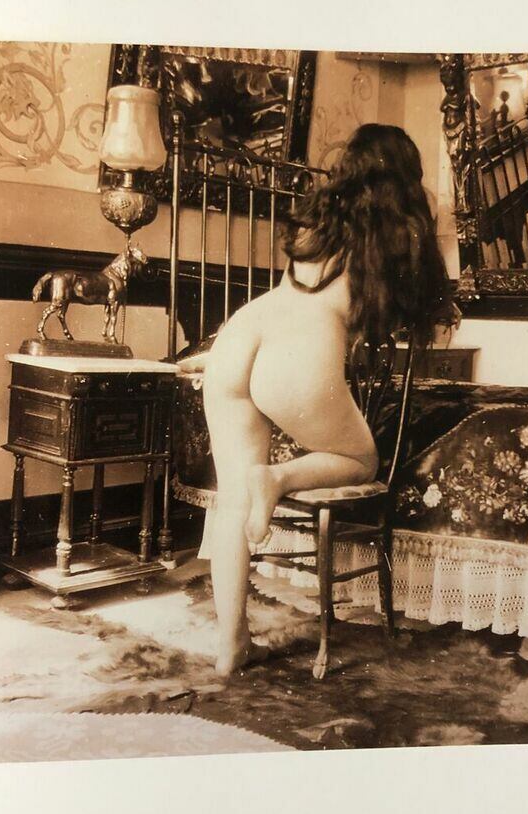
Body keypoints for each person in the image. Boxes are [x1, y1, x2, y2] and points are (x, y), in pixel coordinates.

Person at [178, 124, 457, 676]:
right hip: (300, 352)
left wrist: (219, 358)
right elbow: (431, 306)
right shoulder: (399, 231)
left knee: (233, 502)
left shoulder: (320, 216)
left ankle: (231, 647)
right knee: (360, 459)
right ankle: (276, 479)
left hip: (242, 333)